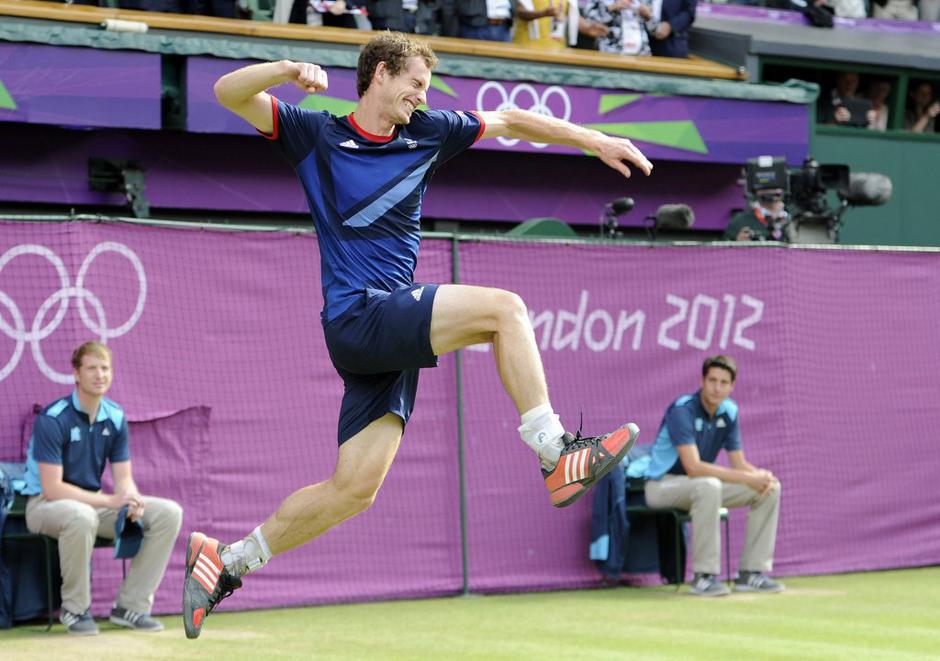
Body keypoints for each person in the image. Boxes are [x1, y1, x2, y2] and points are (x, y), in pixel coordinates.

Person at [183, 31, 650, 639]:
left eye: (426, 89)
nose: (422, 97)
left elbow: (511, 119)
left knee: (354, 489)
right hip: (360, 314)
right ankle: (554, 450)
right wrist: (288, 68)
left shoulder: (428, 132)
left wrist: (594, 139)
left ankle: (227, 561)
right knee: (506, 310)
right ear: (379, 73)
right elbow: (226, 91)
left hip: (384, 335)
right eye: (415, 84)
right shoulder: (314, 134)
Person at [21, 342, 183, 635]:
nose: (100, 375)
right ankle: (75, 610)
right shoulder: (53, 418)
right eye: (92, 368)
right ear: (76, 374)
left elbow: (124, 477)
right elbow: (52, 488)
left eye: (105, 368)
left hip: (94, 505)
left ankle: (130, 607)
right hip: (44, 505)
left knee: (169, 513)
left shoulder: (115, 416)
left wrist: (130, 498)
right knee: (81, 516)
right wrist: (110, 500)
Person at [643, 355, 783, 597]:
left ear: (732, 386)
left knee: (770, 488)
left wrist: (759, 476)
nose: (717, 388)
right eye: (712, 381)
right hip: (660, 486)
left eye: (724, 382)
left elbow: (739, 463)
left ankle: (751, 573)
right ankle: (703, 578)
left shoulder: (729, 411)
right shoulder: (683, 410)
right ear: (702, 381)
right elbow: (694, 467)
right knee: (709, 485)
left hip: (700, 487)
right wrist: (748, 478)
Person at [583, 0, 653, 56]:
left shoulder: (643, 1)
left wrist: (648, 16)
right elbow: (588, 21)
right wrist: (611, 8)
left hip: (641, 54)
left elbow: (655, 31)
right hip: (610, 53)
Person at [723, 187, 790, 242]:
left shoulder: (793, 219)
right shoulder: (740, 221)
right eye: (765, 187)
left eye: (775, 186)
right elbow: (724, 249)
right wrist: (738, 244)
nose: (771, 190)